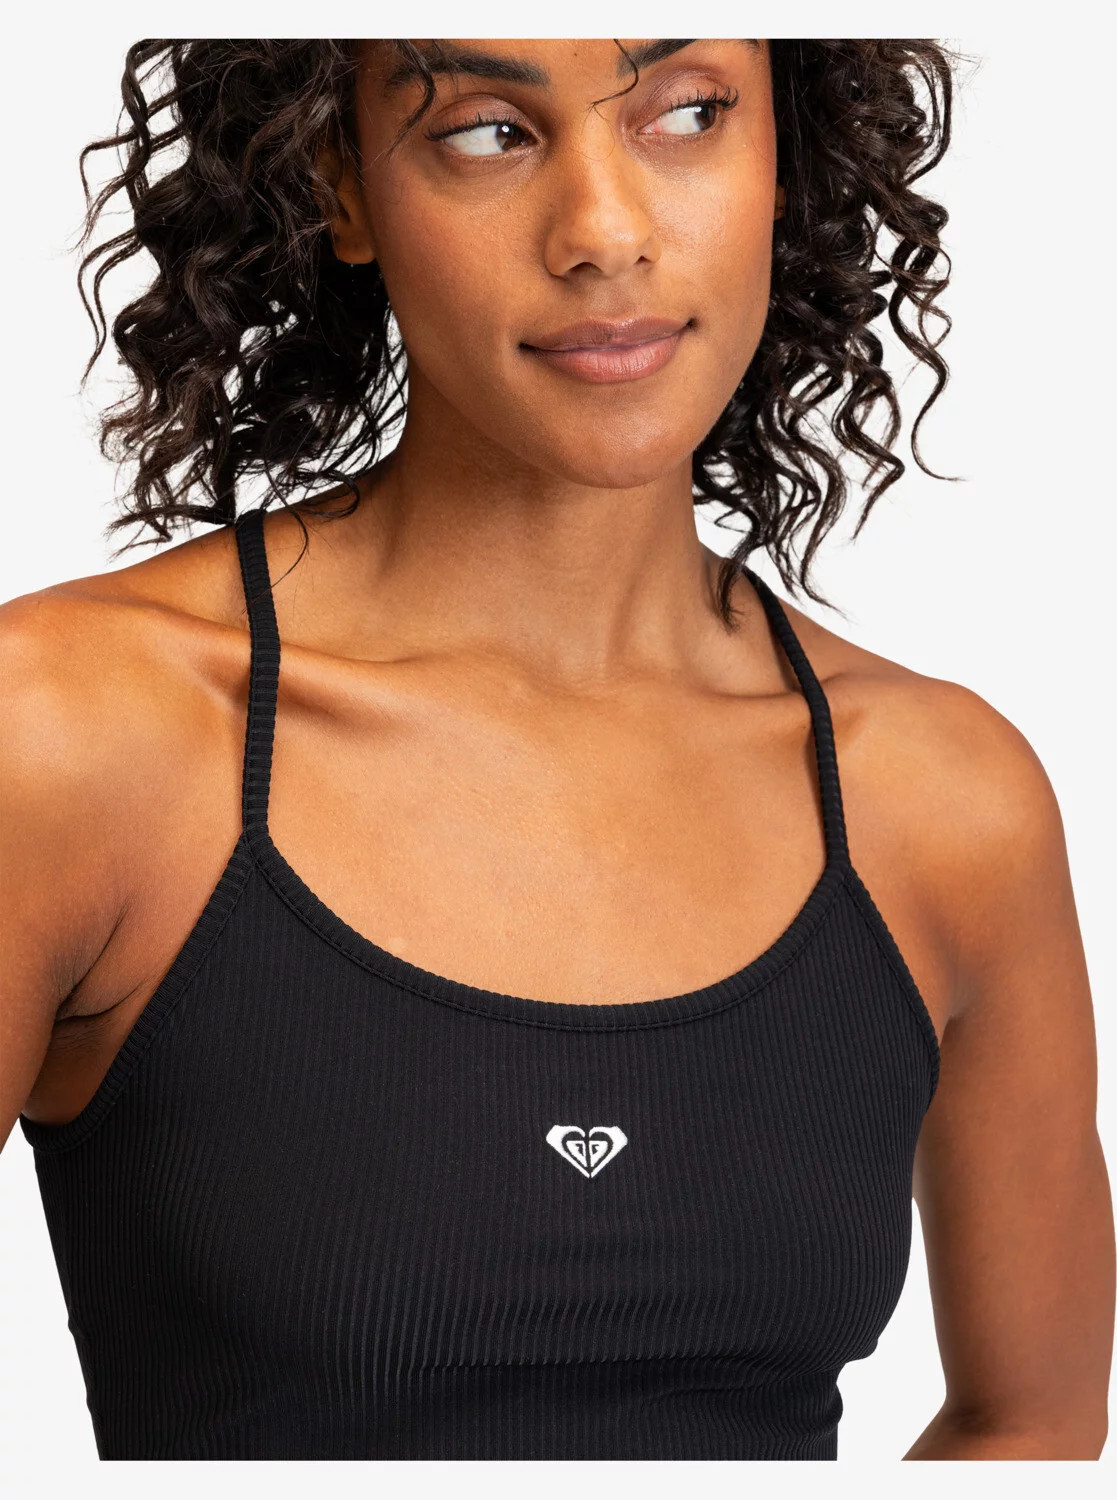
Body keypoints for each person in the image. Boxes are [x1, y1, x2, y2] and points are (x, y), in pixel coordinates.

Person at [0, 38, 1111, 1462]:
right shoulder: (77, 734)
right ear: (341, 187)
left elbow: (1032, 1426)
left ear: (788, 151)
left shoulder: (944, 798)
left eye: (688, 113)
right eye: (484, 131)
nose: (604, 232)